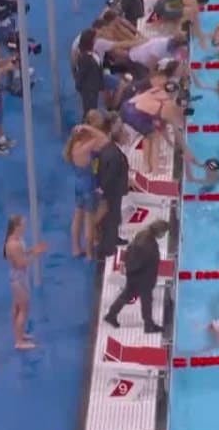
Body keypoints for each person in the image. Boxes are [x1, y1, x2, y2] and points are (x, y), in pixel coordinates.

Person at [102, 220, 169, 333]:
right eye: (164, 232)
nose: (164, 235)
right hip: (142, 278)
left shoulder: (143, 234)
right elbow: (145, 263)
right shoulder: (148, 244)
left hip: (135, 275)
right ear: (159, 231)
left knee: (127, 296)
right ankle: (149, 326)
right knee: (146, 301)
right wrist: (146, 278)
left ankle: (111, 315)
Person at [64, 123, 110, 258]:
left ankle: (75, 248)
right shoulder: (85, 148)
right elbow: (104, 139)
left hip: (78, 183)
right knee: (88, 220)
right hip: (87, 185)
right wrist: (89, 127)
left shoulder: (73, 147)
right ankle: (89, 254)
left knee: (77, 215)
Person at [3, 215, 47, 350]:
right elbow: (21, 263)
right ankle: (18, 341)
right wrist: (36, 254)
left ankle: (19, 334)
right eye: (23, 224)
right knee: (23, 309)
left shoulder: (16, 240)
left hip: (19, 277)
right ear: (16, 226)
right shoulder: (13, 244)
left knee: (17, 307)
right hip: (19, 278)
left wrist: (32, 250)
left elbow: (21, 253)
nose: (25, 226)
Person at [95, 112, 130, 259]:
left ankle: (114, 239)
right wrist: (104, 191)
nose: (127, 138)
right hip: (112, 192)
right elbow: (109, 176)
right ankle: (107, 249)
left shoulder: (110, 149)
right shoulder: (114, 154)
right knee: (110, 218)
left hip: (113, 190)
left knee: (114, 217)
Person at [74, 29, 106, 118]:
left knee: (93, 110)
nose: (97, 40)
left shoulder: (94, 53)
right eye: (95, 38)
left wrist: (101, 85)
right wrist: (82, 89)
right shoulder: (84, 58)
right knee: (89, 113)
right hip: (89, 90)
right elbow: (80, 75)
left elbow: (99, 69)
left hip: (94, 88)